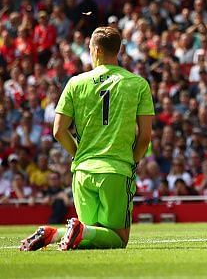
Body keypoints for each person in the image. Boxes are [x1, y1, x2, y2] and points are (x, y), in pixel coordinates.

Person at [20, 26, 154, 251]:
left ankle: (53, 233)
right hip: (116, 168)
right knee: (118, 239)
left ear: (97, 50)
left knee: (90, 236)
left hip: (82, 170)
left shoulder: (75, 83)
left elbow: (59, 130)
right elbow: (145, 135)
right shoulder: (137, 84)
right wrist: (132, 160)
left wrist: (78, 154)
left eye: (90, 48)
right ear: (118, 50)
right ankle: (72, 230)